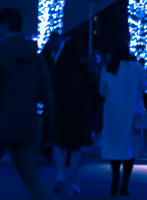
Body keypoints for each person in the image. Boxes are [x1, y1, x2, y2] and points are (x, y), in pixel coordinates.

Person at [0, 7, 54, 200]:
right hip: (27, 126)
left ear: (4, 26)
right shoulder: (36, 58)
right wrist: (49, 129)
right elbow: (47, 95)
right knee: (32, 179)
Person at [101, 42, 147, 197]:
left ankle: (115, 176)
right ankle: (125, 183)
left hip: (112, 113)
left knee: (114, 147)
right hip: (132, 111)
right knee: (130, 148)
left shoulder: (107, 69)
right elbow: (144, 85)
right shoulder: (135, 67)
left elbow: (102, 91)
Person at [49, 39, 92, 194]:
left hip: (60, 110)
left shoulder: (57, 69)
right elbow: (90, 91)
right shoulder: (84, 70)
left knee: (60, 145)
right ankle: (71, 183)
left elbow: (51, 88)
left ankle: (59, 176)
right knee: (75, 150)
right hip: (78, 112)